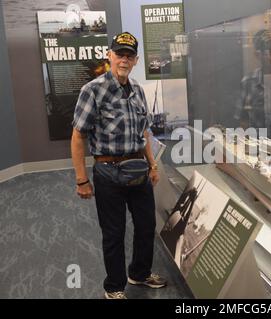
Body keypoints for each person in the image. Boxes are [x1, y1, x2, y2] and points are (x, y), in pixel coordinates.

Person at [71, 32, 166, 299]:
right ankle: (114, 287)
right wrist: (81, 179)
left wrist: (153, 165)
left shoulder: (137, 90)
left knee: (146, 226)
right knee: (114, 233)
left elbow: (144, 133)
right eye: (120, 54)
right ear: (109, 55)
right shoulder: (92, 90)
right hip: (107, 173)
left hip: (139, 172)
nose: (124, 59)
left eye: (129, 55)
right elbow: (78, 136)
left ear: (136, 60)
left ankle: (140, 273)